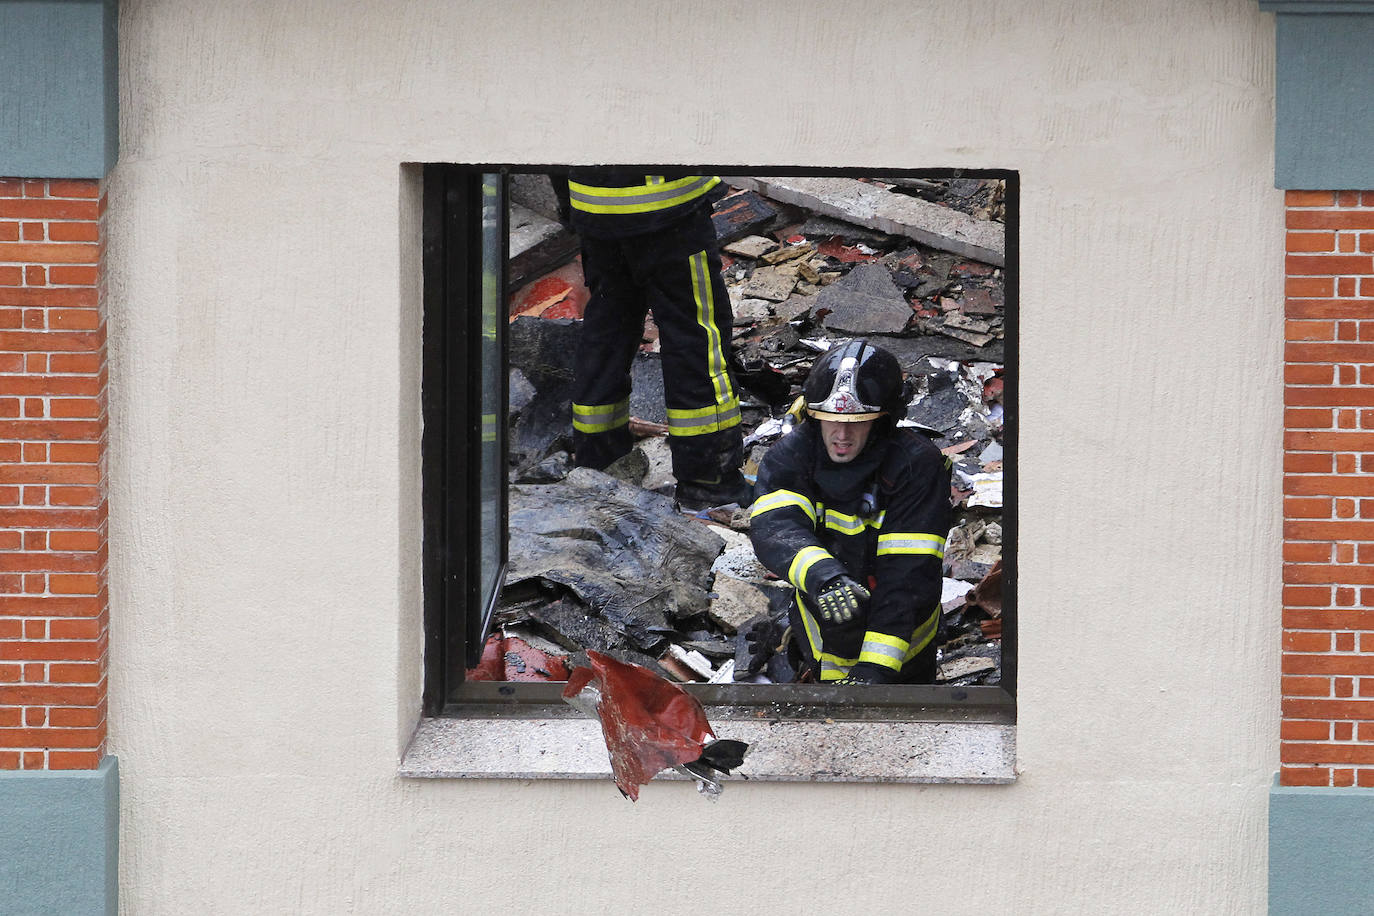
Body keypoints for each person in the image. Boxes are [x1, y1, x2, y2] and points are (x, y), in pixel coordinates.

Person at [748, 338, 952, 684]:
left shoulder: (917, 466)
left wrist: (874, 671)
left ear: (883, 421)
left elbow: (906, 578)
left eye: (858, 421)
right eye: (830, 419)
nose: (841, 434)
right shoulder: (793, 454)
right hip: (821, 636)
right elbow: (775, 528)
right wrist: (824, 577)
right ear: (813, 415)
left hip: (903, 649)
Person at [563, 168, 749, 508]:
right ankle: (709, 481)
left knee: (606, 334)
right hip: (669, 212)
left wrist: (574, 209)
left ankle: (598, 468)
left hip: (594, 211)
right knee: (697, 337)